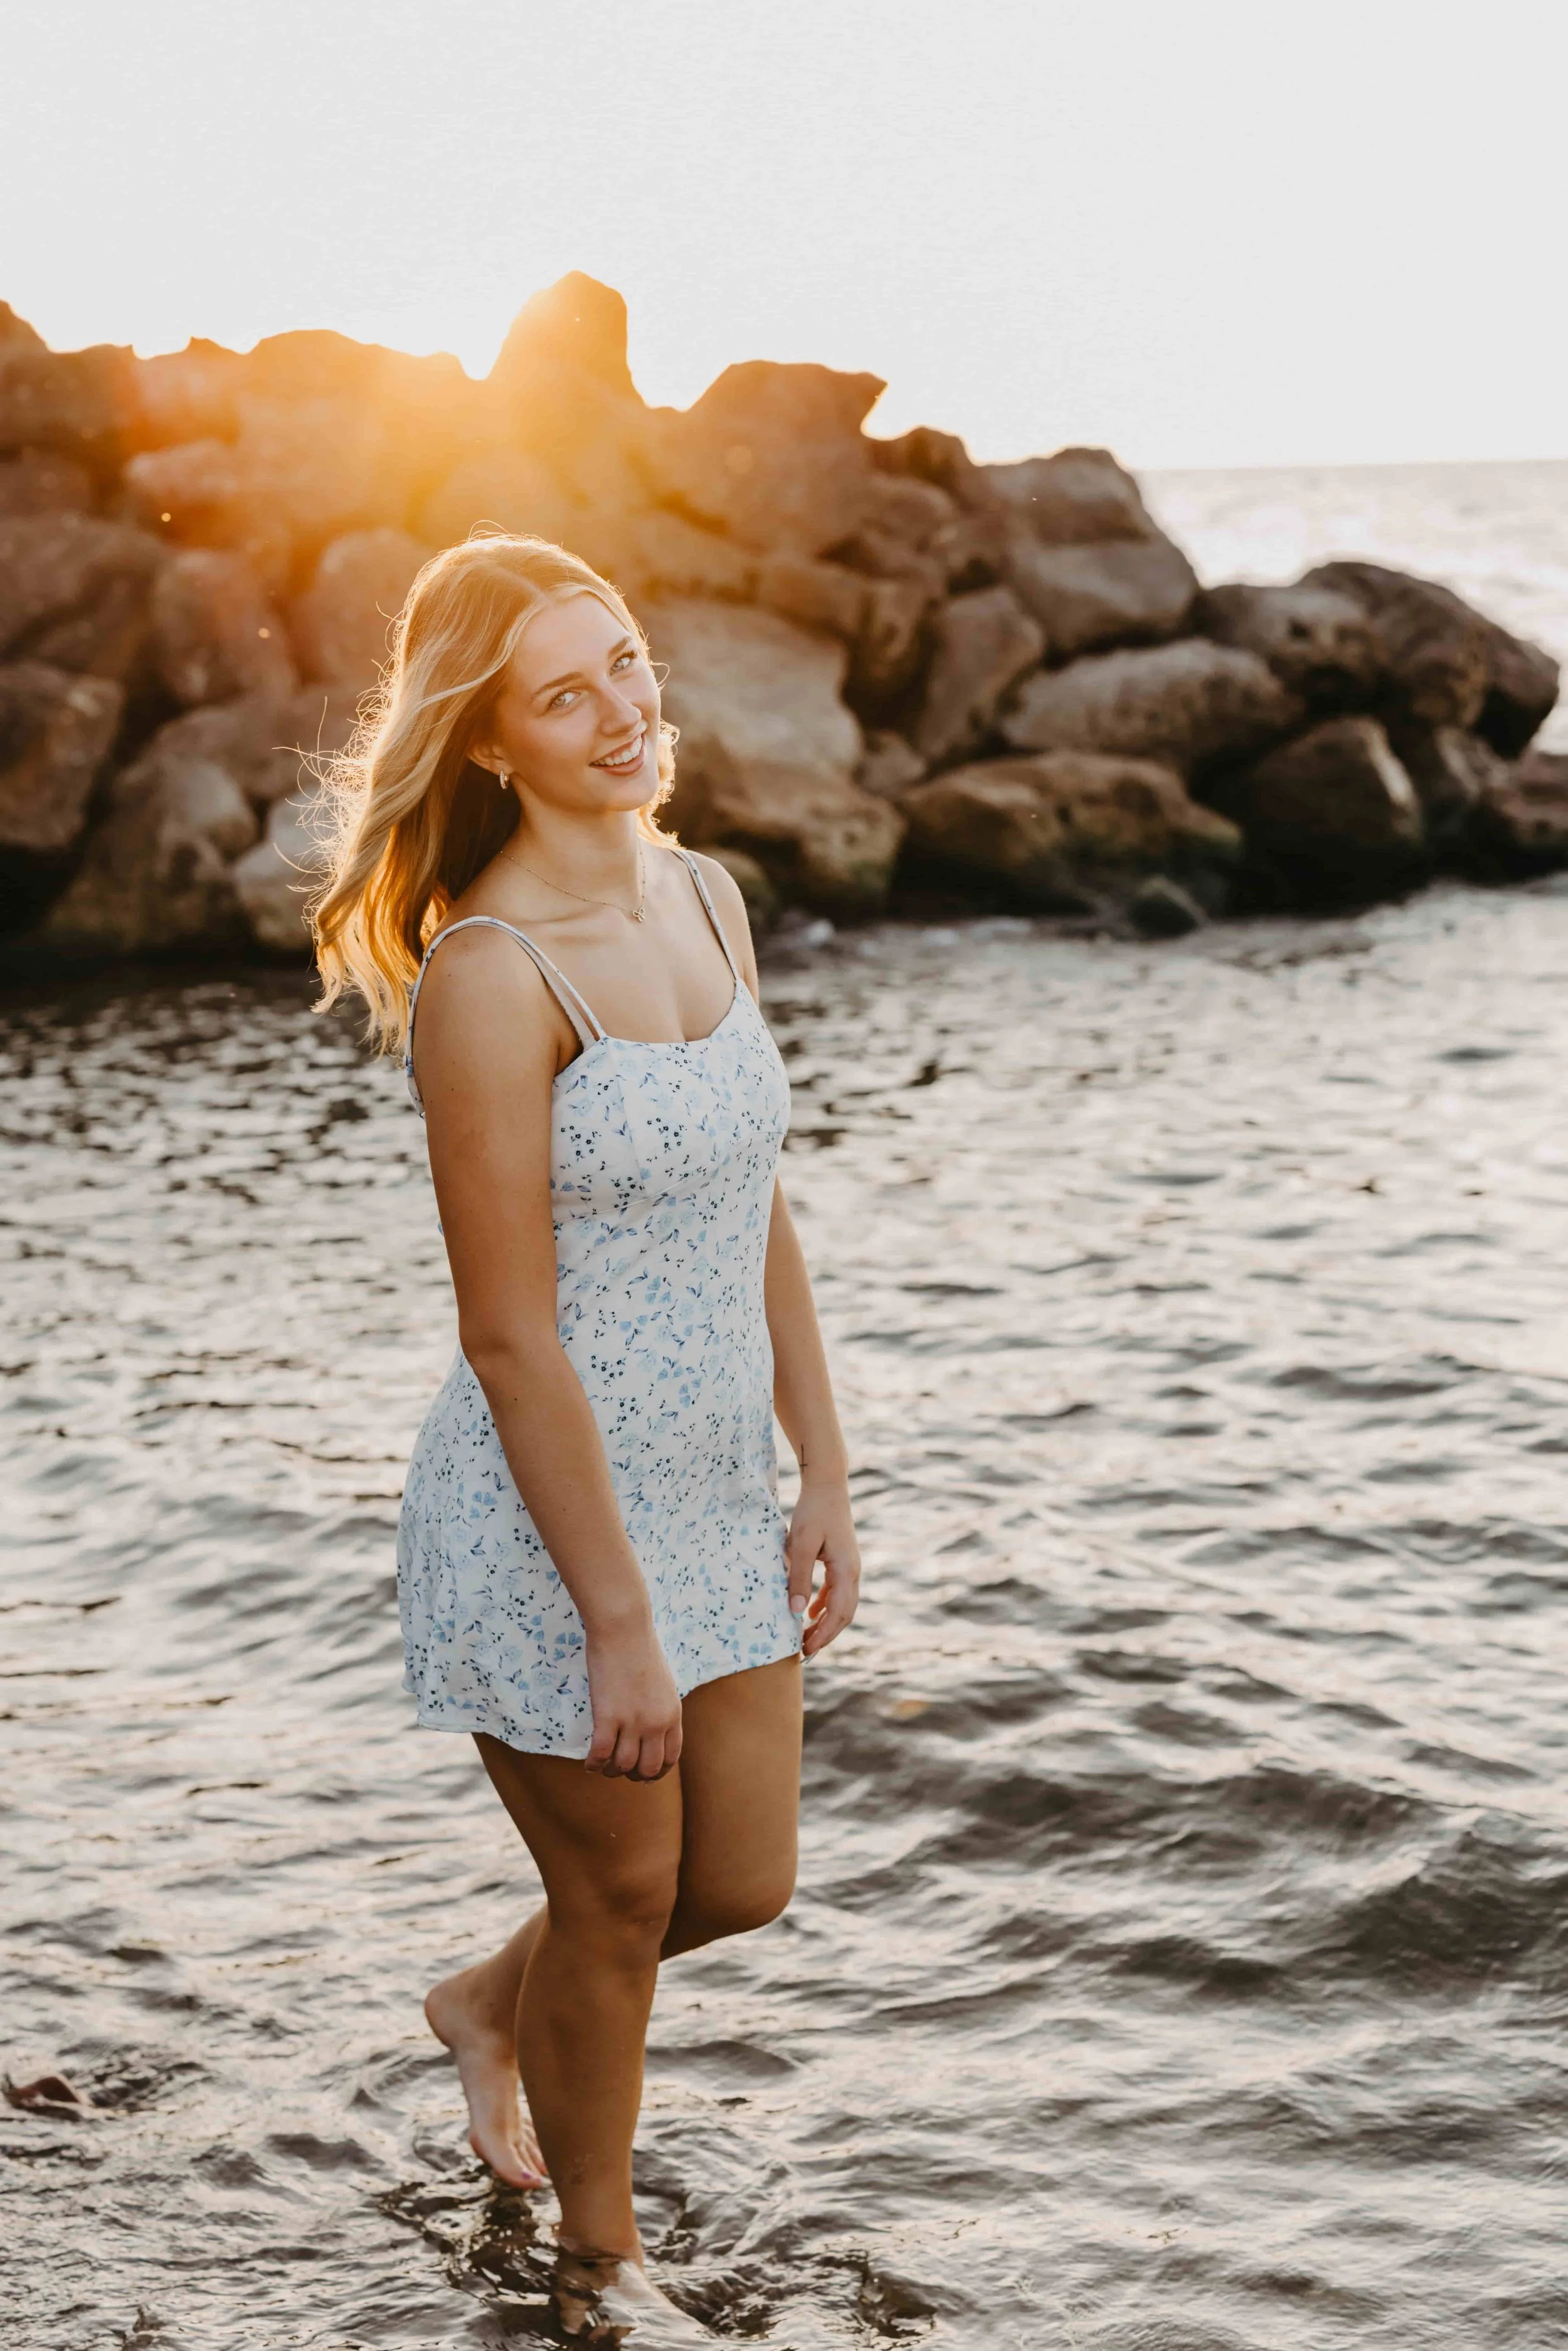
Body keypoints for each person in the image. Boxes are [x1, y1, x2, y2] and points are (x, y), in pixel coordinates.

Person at [310, 533, 861, 2342]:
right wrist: (615, 1610)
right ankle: (596, 2270)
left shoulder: (705, 897)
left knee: (741, 1877)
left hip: (716, 1491)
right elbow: (508, 1331)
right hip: (550, 1520)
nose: (624, 709)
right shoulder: (492, 975)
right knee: (620, 1899)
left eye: (623, 660)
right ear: (488, 741)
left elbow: (750, 1198)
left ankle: (486, 2002)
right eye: (566, 691)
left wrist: (824, 1470)